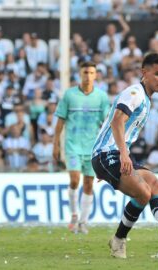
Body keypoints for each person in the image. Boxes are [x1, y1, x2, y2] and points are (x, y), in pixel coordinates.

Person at [91, 53, 158, 259]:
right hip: (107, 153)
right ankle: (119, 240)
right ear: (144, 73)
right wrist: (123, 155)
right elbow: (117, 121)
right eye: (157, 74)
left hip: (118, 153)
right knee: (143, 192)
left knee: (156, 186)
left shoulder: (146, 99)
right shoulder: (135, 93)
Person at [53, 61, 109, 234]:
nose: (88, 76)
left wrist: (106, 148)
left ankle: (83, 222)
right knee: (75, 179)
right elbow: (60, 121)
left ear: (96, 75)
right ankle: (74, 215)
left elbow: (106, 123)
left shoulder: (101, 97)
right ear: (80, 74)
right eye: (85, 72)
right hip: (72, 146)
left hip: (92, 148)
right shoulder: (69, 95)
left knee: (88, 184)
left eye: (91, 73)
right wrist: (56, 144)